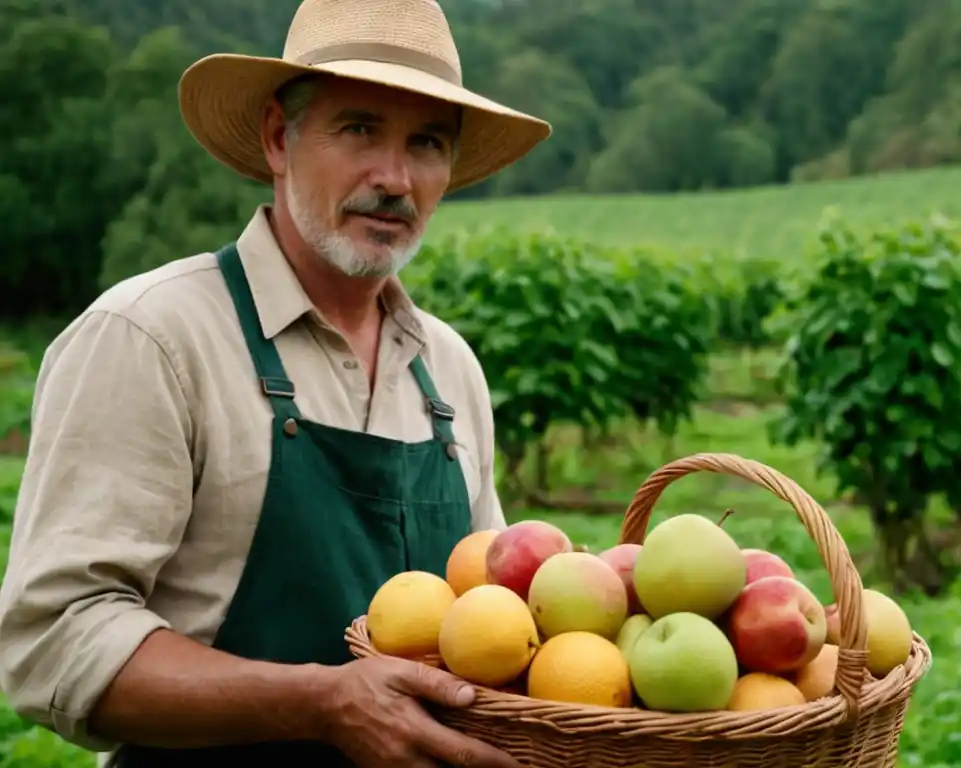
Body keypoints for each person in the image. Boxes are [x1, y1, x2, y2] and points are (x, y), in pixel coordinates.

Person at [0, 1, 551, 766]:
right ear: (276, 138)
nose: (393, 178)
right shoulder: (154, 337)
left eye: (425, 143)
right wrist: (319, 704)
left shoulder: (448, 368)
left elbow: (492, 619)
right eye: (359, 129)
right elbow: (55, 642)